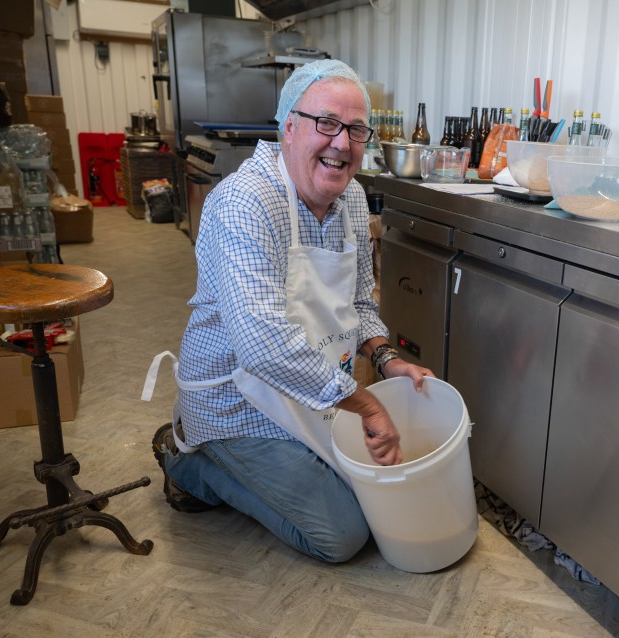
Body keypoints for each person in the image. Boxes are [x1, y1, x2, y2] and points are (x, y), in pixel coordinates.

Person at [144, 59, 432, 564]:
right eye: (327, 123)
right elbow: (261, 344)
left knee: (374, 492)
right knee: (342, 535)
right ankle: (189, 459)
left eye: (357, 129)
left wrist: (387, 358)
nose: (342, 143)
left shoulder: (353, 200)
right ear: (289, 127)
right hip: (237, 401)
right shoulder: (245, 203)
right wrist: (366, 404)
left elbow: (361, 301)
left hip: (314, 392)